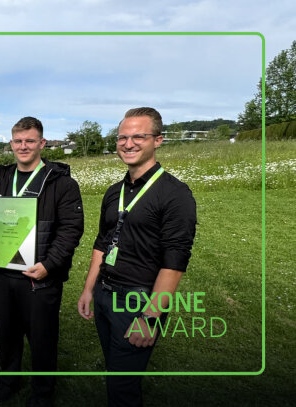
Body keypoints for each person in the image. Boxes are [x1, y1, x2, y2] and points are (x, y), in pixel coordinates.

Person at [77, 107, 196, 406]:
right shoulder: (114, 190)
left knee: (122, 388)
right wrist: (89, 288)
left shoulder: (175, 194)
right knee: (116, 372)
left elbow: (175, 259)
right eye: (122, 137)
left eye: (138, 136)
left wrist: (151, 316)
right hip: (105, 294)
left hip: (138, 301)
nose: (128, 144)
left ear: (158, 140)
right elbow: (102, 241)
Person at [0, 117, 84, 405]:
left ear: (41, 143)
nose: (23, 146)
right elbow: (1, 218)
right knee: (6, 334)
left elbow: (71, 229)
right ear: (11, 143)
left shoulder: (62, 183)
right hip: (1, 272)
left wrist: (49, 265)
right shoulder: (3, 177)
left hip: (39, 275)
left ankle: (42, 392)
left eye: (29, 141)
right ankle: (8, 381)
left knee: (42, 338)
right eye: (18, 141)